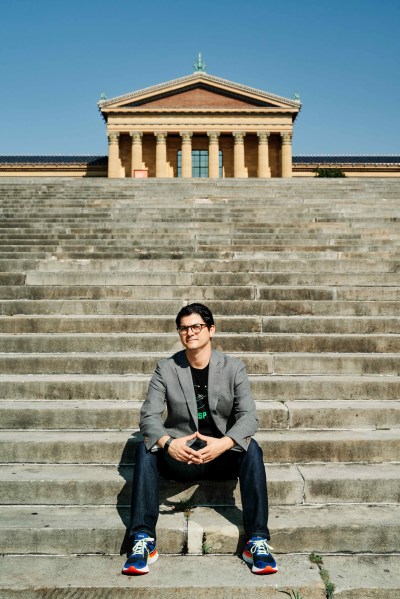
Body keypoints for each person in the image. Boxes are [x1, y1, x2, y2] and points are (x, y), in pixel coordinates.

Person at [122, 302, 277, 576]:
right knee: (145, 449)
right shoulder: (166, 369)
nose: (190, 332)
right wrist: (169, 444)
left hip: (221, 456)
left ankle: (257, 540)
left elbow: (249, 418)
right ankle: (143, 539)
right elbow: (149, 417)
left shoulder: (233, 368)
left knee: (252, 449)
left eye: (196, 326)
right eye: (184, 328)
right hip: (180, 455)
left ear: (211, 329)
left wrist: (225, 443)